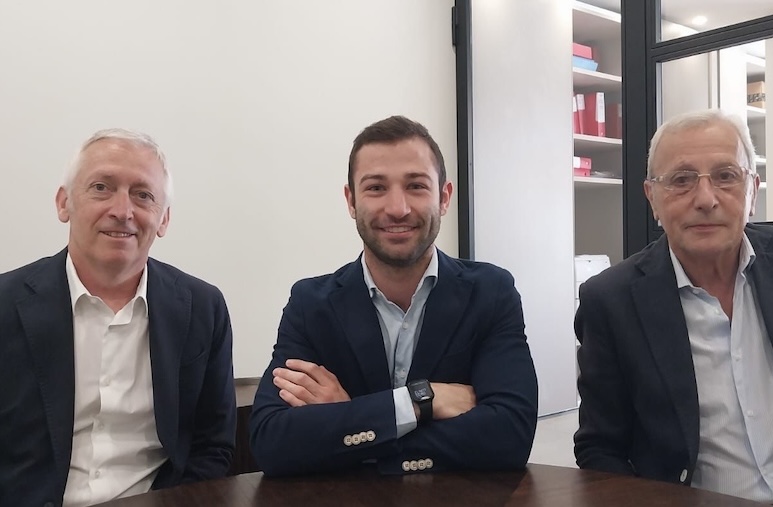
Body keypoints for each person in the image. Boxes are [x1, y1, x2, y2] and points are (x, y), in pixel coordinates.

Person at [250, 115, 538, 476]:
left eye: (416, 186)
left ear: (444, 197)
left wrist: (352, 422)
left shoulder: (491, 293)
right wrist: (419, 401)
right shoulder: (310, 304)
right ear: (351, 201)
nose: (398, 208)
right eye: (376, 188)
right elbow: (272, 443)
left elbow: (509, 437)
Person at [574, 109, 773, 505]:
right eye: (681, 180)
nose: (706, 199)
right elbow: (600, 449)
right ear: (652, 198)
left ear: (753, 190)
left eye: (726, 176)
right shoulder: (610, 301)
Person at [0, 129, 236, 507]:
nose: (123, 211)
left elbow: (212, 445)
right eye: (101, 188)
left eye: (143, 195)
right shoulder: (6, 303)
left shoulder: (202, 309)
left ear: (163, 219)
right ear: (64, 203)